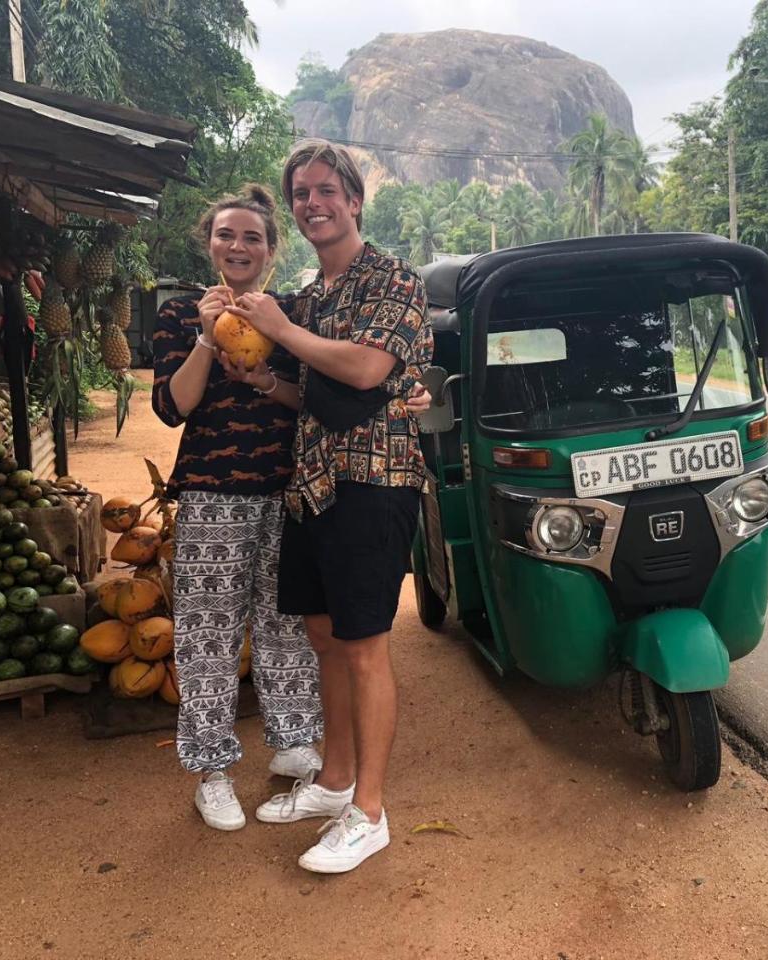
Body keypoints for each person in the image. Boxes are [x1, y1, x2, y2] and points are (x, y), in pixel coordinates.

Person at [223, 139, 433, 874]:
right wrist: (265, 383)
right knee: (324, 638)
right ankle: (334, 779)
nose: (313, 203)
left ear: (353, 198)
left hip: (375, 483)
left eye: (325, 190)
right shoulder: (311, 296)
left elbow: (370, 367)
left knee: (366, 645)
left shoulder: (393, 279)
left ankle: (368, 812)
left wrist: (279, 329)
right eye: (301, 193)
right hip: (311, 483)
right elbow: (315, 390)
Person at [151, 185, 323, 832]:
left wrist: (264, 376)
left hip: (283, 489)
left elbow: (311, 399)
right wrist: (203, 337)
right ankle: (212, 771)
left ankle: (295, 742)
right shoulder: (177, 316)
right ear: (210, 243)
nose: (239, 245)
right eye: (227, 235)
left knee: (287, 623)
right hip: (211, 494)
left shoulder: (289, 314)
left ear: (271, 250)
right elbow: (174, 408)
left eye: (253, 236)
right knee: (207, 634)